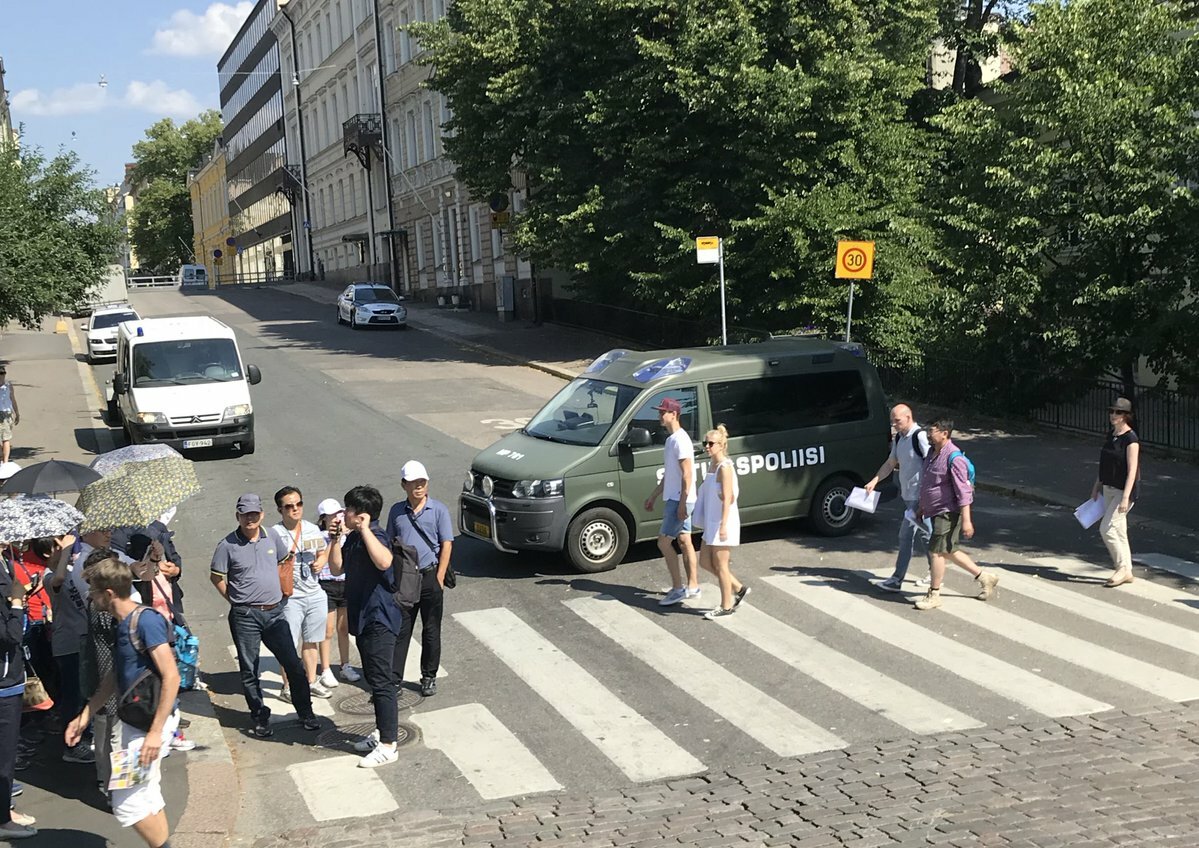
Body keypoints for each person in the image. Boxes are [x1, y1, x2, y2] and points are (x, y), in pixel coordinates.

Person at [67, 556, 180, 848]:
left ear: (108, 594)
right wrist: (85, 715)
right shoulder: (122, 623)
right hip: (136, 721)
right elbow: (116, 676)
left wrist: (155, 733)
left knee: (125, 802)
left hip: (150, 723)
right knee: (148, 795)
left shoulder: (146, 622)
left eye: (92, 592)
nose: (89, 597)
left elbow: (171, 677)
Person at [209, 494, 319, 738]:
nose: (250, 518)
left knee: (293, 665)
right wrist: (235, 601)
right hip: (246, 616)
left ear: (262, 514)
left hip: (275, 613)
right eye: (245, 514)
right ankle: (259, 717)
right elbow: (217, 577)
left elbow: (284, 562)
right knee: (250, 670)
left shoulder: (272, 536)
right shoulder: (227, 545)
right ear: (238, 516)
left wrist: (281, 591)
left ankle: (306, 713)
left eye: (254, 514)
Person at [327, 485, 402, 768]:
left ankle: (388, 745)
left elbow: (385, 562)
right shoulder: (354, 539)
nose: (342, 514)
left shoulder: (377, 536)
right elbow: (336, 569)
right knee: (373, 680)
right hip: (363, 619)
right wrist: (335, 539)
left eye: (347, 509)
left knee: (383, 683)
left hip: (380, 619)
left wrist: (366, 530)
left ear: (361, 516)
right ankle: (380, 732)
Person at [913, 419, 999, 611]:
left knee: (935, 551)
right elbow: (929, 483)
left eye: (933, 431)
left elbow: (964, 492)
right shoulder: (931, 453)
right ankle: (985, 577)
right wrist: (922, 507)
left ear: (945, 433)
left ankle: (934, 593)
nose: (929, 434)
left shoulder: (954, 458)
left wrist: (967, 521)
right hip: (934, 511)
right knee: (948, 551)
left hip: (948, 512)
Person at [386, 461, 452, 697]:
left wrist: (440, 577)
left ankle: (429, 676)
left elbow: (446, 544)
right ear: (404, 485)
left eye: (422, 482)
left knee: (431, 630)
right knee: (402, 629)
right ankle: (394, 679)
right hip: (405, 579)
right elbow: (391, 545)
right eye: (414, 482)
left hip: (429, 576)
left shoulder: (439, 510)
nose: (419, 486)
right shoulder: (396, 511)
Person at [270, 487, 332, 701]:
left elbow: (323, 551)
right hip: (290, 596)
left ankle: (311, 681)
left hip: (314, 592)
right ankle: (288, 686)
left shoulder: (312, 529)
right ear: (280, 509)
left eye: (299, 504)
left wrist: (322, 560)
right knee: (288, 644)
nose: (295, 509)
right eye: (289, 506)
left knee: (312, 640)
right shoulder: (274, 534)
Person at [865, 403, 934, 592]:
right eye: (893, 422)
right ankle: (934, 573)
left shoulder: (919, 436)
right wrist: (874, 481)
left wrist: (926, 494)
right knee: (925, 535)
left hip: (919, 497)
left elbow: (932, 464)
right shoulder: (900, 438)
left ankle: (898, 579)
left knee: (909, 536)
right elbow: (890, 463)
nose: (894, 425)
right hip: (909, 496)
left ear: (908, 418)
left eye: (897, 421)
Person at [643, 397, 700, 606]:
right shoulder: (671, 440)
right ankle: (693, 586)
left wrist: (683, 503)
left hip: (679, 500)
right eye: (660, 412)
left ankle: (678, 589)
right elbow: (670, 474)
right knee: (685, 541)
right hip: (677, 497)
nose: (660, 416)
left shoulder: (680, 441)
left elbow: (687, 475)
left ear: (673, 414)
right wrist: (654, 495)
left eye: (662, 412)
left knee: (663, 543)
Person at [693, 426, 748, 620]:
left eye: (710, 443)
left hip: (722, 523)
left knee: (721, 565)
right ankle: (738, 588)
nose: (707, 447)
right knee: (705, 562)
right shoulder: (712, 465)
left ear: (721, 445)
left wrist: (723, 525)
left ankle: (726, 606)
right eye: (705, 443)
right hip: (711, 521)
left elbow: (728, 498)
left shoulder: (725, 468)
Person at [2, 541, 37, 839]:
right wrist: (15, 602)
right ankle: (2, 819)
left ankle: (5, 809)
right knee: (4, 753)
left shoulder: (5, 563)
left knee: (7, 752)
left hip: (9, 675)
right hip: (3, 680)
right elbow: (10, 635)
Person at [1092, 397, 1141, 588]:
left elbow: (1132, 470)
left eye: (1118, 413)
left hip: (1123, 491)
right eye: (1112, 412)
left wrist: (1126, 498)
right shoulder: (1111, 435)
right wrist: (1096, 486)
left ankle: (1121, 568)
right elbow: (1105, 464)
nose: (1113, 415)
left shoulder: (1131, 439)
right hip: (1108, 488)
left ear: (1126, 416)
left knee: (1107, 528)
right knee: (1119, 530)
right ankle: (1127, 569)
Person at [316, 499, 359, 685]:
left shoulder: (347, 534)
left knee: (344, 628)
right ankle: (325, 669)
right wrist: (333, 538)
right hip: (326, 584)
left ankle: (345, 665)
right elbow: (321, 561)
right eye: (333, 515)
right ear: (324, 518)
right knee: (328, 630)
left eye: (340, 513)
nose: (338, 518)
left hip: (345, 584)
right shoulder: (320, 537)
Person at [0, 365, 20, 464]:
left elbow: (13, 400)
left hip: (6, 413)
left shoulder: (8, 386)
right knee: (5, 439)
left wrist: (17, 412)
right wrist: (17, 413)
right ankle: (5, 461)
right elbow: (13, 400)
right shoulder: (8, 385)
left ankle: (4, 460)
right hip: (6, 414)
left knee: (5, 439)